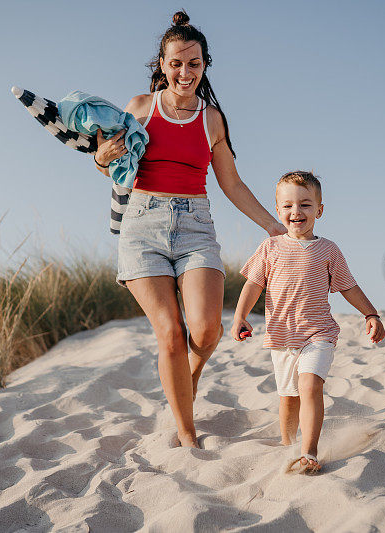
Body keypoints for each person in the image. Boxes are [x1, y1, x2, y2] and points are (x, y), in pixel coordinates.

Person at [92, 10, 287, 449]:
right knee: (171, 335)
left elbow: (231, 184)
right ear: (162, 65)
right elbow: (110, 164)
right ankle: (187, 435)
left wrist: (273, 226)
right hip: (142, 226)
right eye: (176, 63)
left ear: (204, 65)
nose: (185, 71)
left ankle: (186, 380)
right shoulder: (140, 109)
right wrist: (103, 157)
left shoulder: (212, 119)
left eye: (194, 63)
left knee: (205, 332)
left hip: (196, 227)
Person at [231, 171, 385, 473]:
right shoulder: (270, 248)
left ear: (319, 209)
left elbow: (348, 286)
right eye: (287, 206)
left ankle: (309, 452)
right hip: (281, 337)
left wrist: (371, 314)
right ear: (278, 210)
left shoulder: (329, 250)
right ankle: (288, 443)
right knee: (289, 399)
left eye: (305, 205)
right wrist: (240, 316)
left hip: (318, 334)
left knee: (310, 385)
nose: (296, 212)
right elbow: (253, 284)